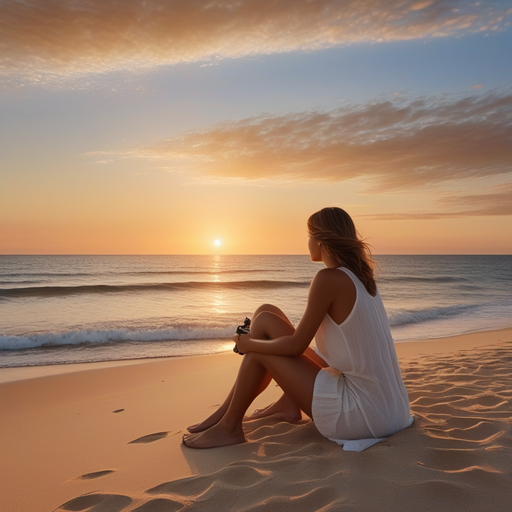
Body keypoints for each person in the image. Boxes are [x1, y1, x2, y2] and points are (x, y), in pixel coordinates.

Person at [183, 207, 412, 450]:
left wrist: (248, 344)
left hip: (364, 416)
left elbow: (295, 347)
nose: (308, 241)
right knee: (265, 314)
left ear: (321, 240)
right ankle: (283, 405)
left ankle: (228, 426)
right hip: (391, 409)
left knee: (260, 351)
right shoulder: (361, 277)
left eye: (310, 235)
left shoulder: (329, 279)